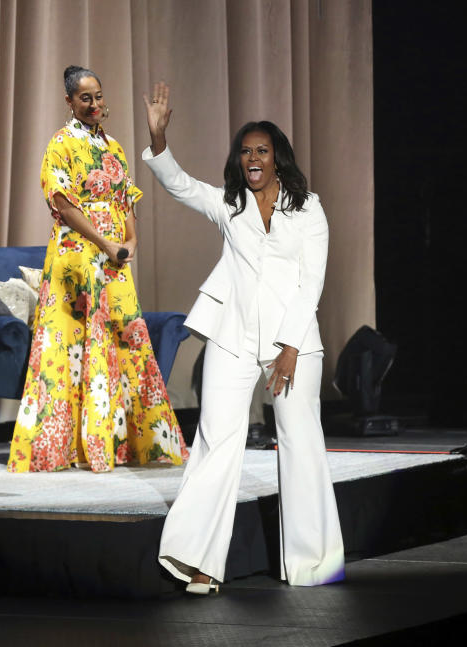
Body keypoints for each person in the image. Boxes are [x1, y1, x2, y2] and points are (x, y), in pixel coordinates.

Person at [141, 82, 345, 593]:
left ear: (278, 160)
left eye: (262, 151)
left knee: (301, 444)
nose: (252, 158)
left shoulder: (309, 209)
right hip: (232, 336)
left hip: (291, 343)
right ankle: (200, 561)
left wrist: (292, 348)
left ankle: (313, 562)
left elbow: (312, 282)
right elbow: (181, 186)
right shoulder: (228, 203)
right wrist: (159, 138)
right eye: (245, 151)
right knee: (215, 440)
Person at [7, 67, 188, 473]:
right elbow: (64, 204)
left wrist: (130, 241)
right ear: (70, 102)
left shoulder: (115, 147)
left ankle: (121, 445)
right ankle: (66, 448)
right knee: (68, 351)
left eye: (99, 96)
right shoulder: (60, 144)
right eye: (85, 98)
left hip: (114, 261)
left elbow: (126, 199)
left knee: (126, 339)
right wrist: (104, 243)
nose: (94, 104)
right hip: (76, 258)